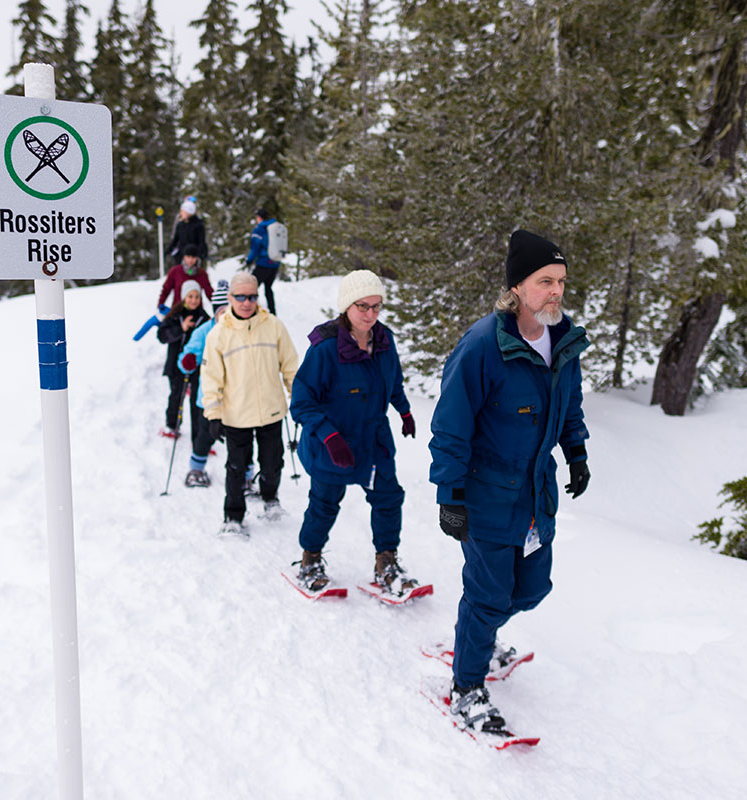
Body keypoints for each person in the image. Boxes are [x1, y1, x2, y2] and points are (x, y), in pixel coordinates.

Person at [428, 229, 590, 737]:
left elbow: (570, 407)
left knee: (534, 587)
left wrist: (577, 451)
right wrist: (449, 495)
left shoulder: (563, 341)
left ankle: (476, 636)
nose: (556, 292)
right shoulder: (482, 346)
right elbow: (450, 427)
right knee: (488, 595)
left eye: (561, 281)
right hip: (485, 497)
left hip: (537, 498)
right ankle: (467, 686)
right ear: (517, 287)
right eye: (545, 281)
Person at [289, 270, 419, 594]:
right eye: (363, 306)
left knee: (388, 498)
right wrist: (330, 437)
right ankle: (310, 559)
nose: (371, 315)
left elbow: (393, 381)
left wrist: (403, 410)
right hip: (333, 443)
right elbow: (302, 402)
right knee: (324, 503)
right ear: (347, 306)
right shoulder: (325, 349)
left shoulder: (385, 340)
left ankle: (386, 562)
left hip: (374, 439)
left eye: (377, 307)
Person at [200, 271, 298, 535]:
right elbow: (210, 378)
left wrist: (298, 399)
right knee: (236, 467)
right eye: (240, 297)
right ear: (230, 298)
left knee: (272, 463)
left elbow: (290, 366)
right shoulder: (218, 334)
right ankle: (233, 517)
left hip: (271, 410)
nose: (246, 303)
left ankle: (270, 498)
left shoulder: (274, 326)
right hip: (236, 414)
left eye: (252, 297)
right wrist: (213, 414)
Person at [178, 279, 231, 487]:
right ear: (215, 312)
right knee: (205, 434)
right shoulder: (204, 331)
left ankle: (245, 473)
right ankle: (196, 469)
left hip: (237, 394)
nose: (225, 316)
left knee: (241, 436)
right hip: (208, 396)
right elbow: (186, 357)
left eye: (229, 311)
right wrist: (188, 361)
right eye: (221, 312)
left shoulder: (243, 330)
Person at [156, 280, 210, 439]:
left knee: (196, 401)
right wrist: (181, 329)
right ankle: (171, 426)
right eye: (190, 296)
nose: (194, 300)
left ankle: (198, 436)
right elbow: (162, 336)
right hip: (176, 365)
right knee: (176, 396)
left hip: (197, 365)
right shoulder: (174, 315)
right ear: (183, 297)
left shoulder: (204, 318)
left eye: (197, 297)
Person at [244, 208, 281, 315]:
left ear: (259, 218)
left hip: (263, 264)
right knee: (268, 288)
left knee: (252, 287)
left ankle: (250, 310)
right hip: (275, 264)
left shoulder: (259, 229)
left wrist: (249, 260)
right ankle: (273, 312)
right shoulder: (274, 227)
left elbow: (255, 247)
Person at [158, 244, 213, 309]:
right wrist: (160, 304)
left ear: (197, 258)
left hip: (196, 311)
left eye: (193, 257)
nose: (190, 260)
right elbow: (166, 289)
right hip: (178, 310)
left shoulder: (202, 274)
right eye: (188, 256)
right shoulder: (175, 271)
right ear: (184, 257)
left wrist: (219, 307)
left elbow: (209, 292)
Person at [167, 195, 207, 266]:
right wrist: (168, 251)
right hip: (181, 256)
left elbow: (201, 242)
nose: (181, 213)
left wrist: (201, 256)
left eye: (182, 211)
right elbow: (175, 240)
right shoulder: (180, 224)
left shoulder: (198, 225)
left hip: (193, 257)